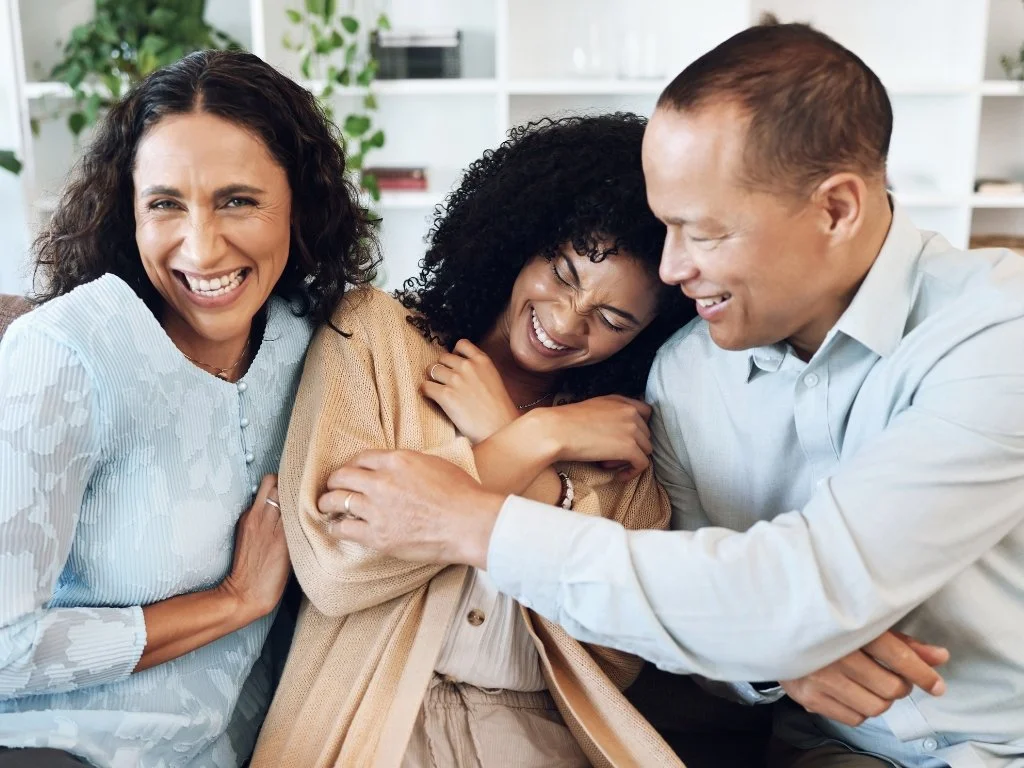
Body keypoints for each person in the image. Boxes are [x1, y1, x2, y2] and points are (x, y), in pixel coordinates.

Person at [316, 21, 1024, 768]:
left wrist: (475, 521)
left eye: (703, 231)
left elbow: (799, 590)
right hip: (825, 748)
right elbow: (680, 598)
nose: (674, 269)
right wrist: (771, 654)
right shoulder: (687, 371)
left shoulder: (995, 335)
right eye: (664, 228)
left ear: (837, 209)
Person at [250, 114, 696, 767]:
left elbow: (619, 652)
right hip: (368, 725)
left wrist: (516, 436)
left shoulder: (618, 430)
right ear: (522, 237)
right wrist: (537, 438)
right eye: (563, 273)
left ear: (643, 340)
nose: (566, 322)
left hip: (536, 739)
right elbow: (336, 568)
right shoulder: (377, 335)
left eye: (611, 319)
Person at [0, 50, 377, 767]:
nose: (201, 249)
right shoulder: (66, 353)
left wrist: (542, 435)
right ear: (128, 210)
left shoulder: (315, 344)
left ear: (299, 202)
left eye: (238, 200)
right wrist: (234, 602)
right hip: (47, 746)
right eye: (166, 203)